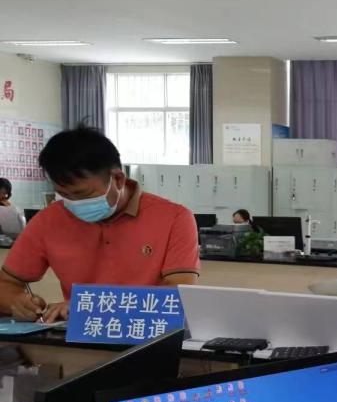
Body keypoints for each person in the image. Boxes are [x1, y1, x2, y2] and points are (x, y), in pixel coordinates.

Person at [0, 126, 200, 322]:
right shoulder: (48, 221)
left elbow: (178, 294)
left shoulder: (174, 218)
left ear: (118, 179)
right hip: (80, 336)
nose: (73, 203)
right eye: (63, 194)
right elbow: (5, 284)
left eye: (82, 194)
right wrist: (16, 302)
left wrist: (89, 305)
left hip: (150, 333)